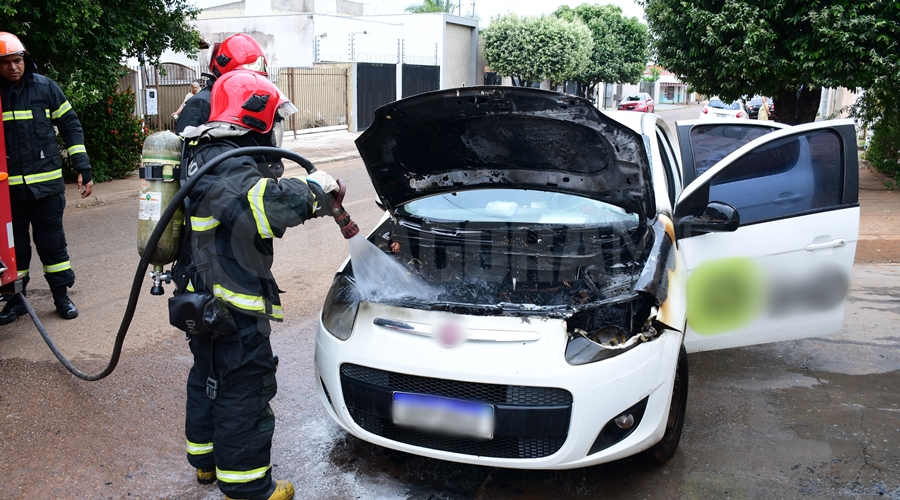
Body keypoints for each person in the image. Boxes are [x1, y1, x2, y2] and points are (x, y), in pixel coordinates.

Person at [172, 70, 337, 500]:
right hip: (231, 300)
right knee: (245, 385)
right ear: (257, 115)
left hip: (202, 294)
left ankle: (206, 463)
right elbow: (260, 208)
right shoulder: (227, 161)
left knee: (208, 375)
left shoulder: (203, 151)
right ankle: (249, 487)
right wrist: (314, 188)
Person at [0, 32, 91, 323]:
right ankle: (16, 300)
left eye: (17, 60)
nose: (13, 67)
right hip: (8, 193)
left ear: (25, 59)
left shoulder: (46, 88)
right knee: (16, 250)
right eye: (6, 63)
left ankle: (61, 297)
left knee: (53, 245)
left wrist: (83, 167)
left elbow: (70, 127)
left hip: (47, 188)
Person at [175, 34, 269, 134]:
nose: (251, 85)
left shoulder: (249, 105)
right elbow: (185, 146)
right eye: (246, 79)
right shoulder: (200, 105)